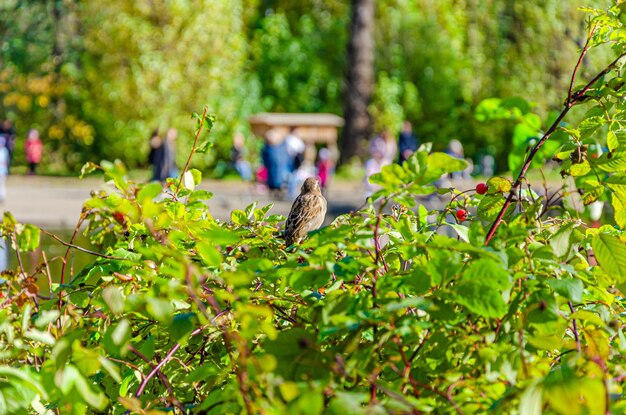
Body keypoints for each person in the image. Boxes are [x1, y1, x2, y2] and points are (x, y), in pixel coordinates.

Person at [261, 130, 290, 198]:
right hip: (271, 168)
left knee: (280, 181)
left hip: (280, 169)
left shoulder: (281, 148)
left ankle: (279, 193)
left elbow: (286, 158)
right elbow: (264, 158)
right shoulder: (266, 148)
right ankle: (273, 192)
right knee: (272, 181)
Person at [0, 137, 8, 201]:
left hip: (2, 171)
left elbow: (5, 162)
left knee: (2, 184)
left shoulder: (4, 150)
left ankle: (2, 197)